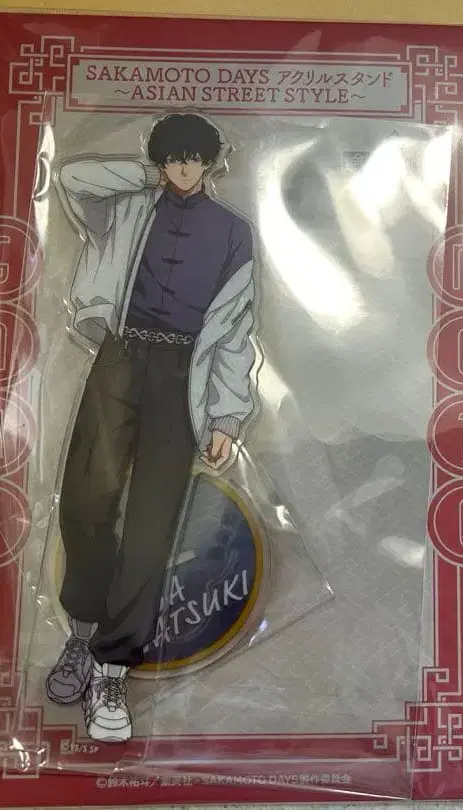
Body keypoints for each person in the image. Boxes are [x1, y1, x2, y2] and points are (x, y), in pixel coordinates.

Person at [45, 112, 256, 741]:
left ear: (211, 162)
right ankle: (82, 631)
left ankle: (113, 668)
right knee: (85, 499)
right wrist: (143, 172)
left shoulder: (233, 232)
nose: (183, 169)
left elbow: (235, 330)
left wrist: (226, 414)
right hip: (118, 357)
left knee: (152, 522)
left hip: (183, 375)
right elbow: (73, 179)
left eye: (193, 158)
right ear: (160, 160)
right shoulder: (128, 205)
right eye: (172, 157)